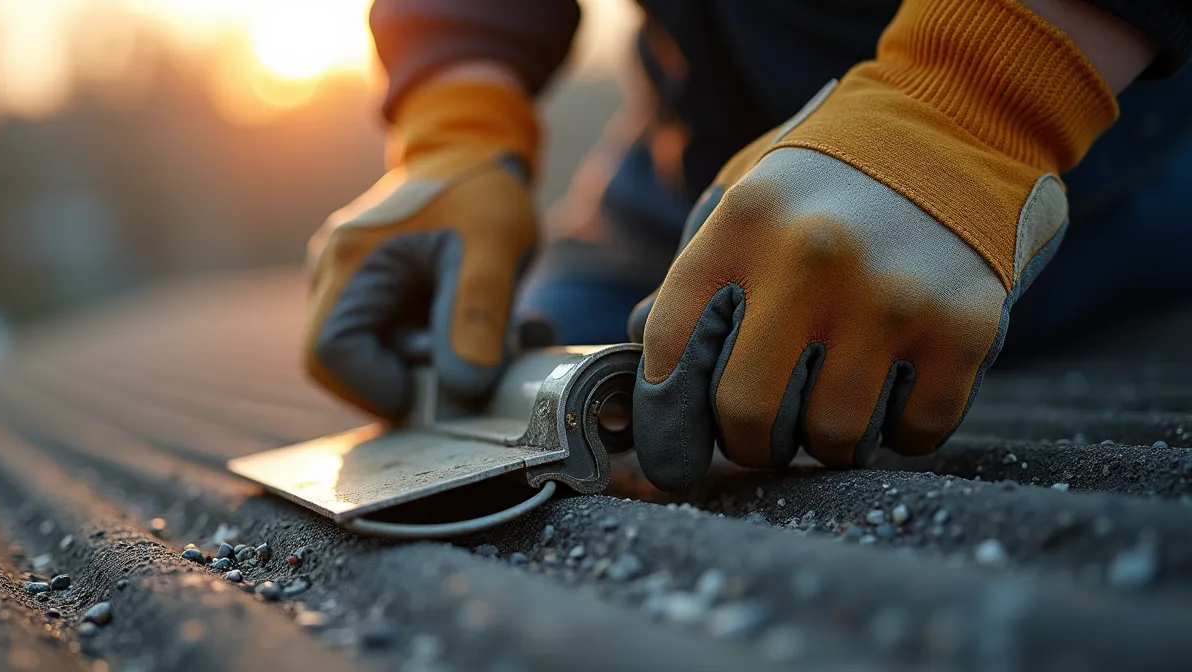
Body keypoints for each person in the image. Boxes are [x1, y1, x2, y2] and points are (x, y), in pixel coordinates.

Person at [301, 0, 1192, 493]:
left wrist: (976, 107)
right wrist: (455, 121)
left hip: (1072, 140)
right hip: (690, 175)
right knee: (548, 353)